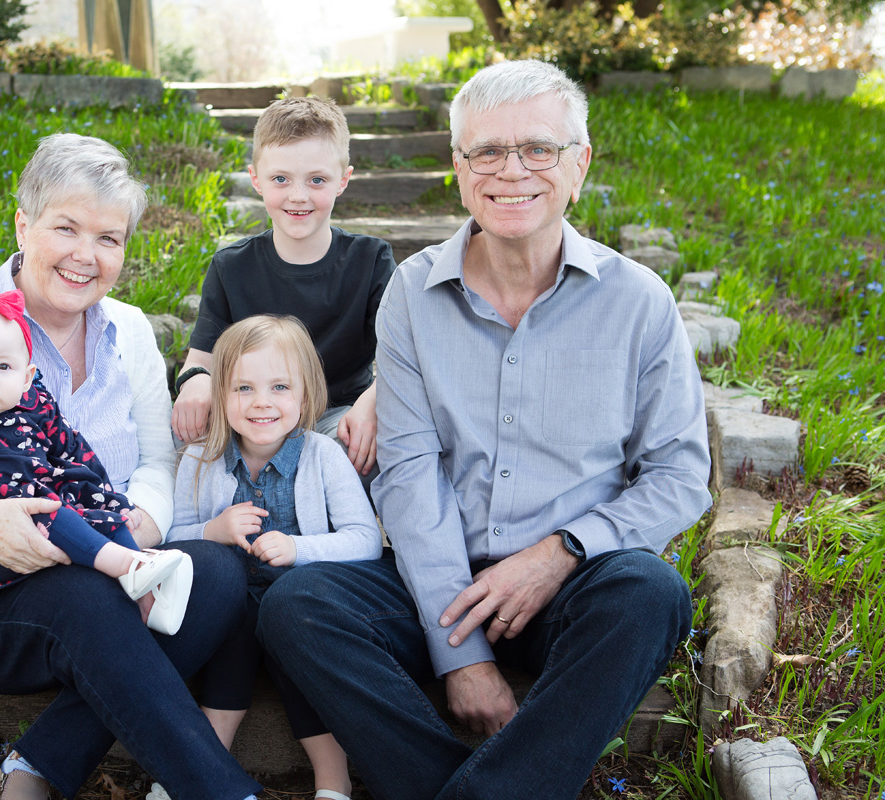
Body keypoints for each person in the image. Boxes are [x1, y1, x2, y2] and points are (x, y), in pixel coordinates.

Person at [258, 59, 713, 800]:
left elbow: (679, 476)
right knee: (298, 608)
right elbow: (407, 471)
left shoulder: (640, 302)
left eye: (538, 149)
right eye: (487, 152)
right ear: (460, 168)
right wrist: (459, 654)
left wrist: (561, 552)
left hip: (570, 584)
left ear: (579, 165)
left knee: (650, 593)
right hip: (429, 580)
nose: (513, 172)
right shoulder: (411, 292)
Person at [0, 134, 262, 800]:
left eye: (109, 238)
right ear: (24, 225)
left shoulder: (131, 331)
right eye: (66, 228)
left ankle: (34, 765)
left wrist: (141, 526)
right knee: (87, 598)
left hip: (107, 571)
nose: (87, 255)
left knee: (219, 573)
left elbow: (157, 458)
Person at [0, 289, 192, 634]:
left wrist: (113, 502)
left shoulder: (36, 406)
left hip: (51, 524)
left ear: (26, 377)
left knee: (107, 519)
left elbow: (77, 456)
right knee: (53, 514)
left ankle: (146, 599)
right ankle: (130, 565)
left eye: (3, 366)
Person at [162, 315, 382, 800]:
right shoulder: (201, 459)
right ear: (220, 395)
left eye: (280, 386)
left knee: (297, 644)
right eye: (243, 387)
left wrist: (299, 548)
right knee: (232, 637)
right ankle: (198, 772)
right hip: (231, 610)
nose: (262, 402)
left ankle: (332, 781)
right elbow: (173, 538)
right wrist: (213, 531)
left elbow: (365, 539)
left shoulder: (324, 456)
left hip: (303, 612)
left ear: (305, 394)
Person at [170, 96, 396, 483]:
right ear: (256, 179)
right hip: (255, 412)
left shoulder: (370, 260)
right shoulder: (232, 266)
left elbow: (403, 355)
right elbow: (200, 358)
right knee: (183, 432)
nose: (298, 195)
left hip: (339, 414)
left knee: (363, 446)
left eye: (317, 180)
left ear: (343, 179)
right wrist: (195, 382)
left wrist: (372, 402)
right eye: (280, 179)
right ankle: (214, 529)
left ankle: (339, 537)